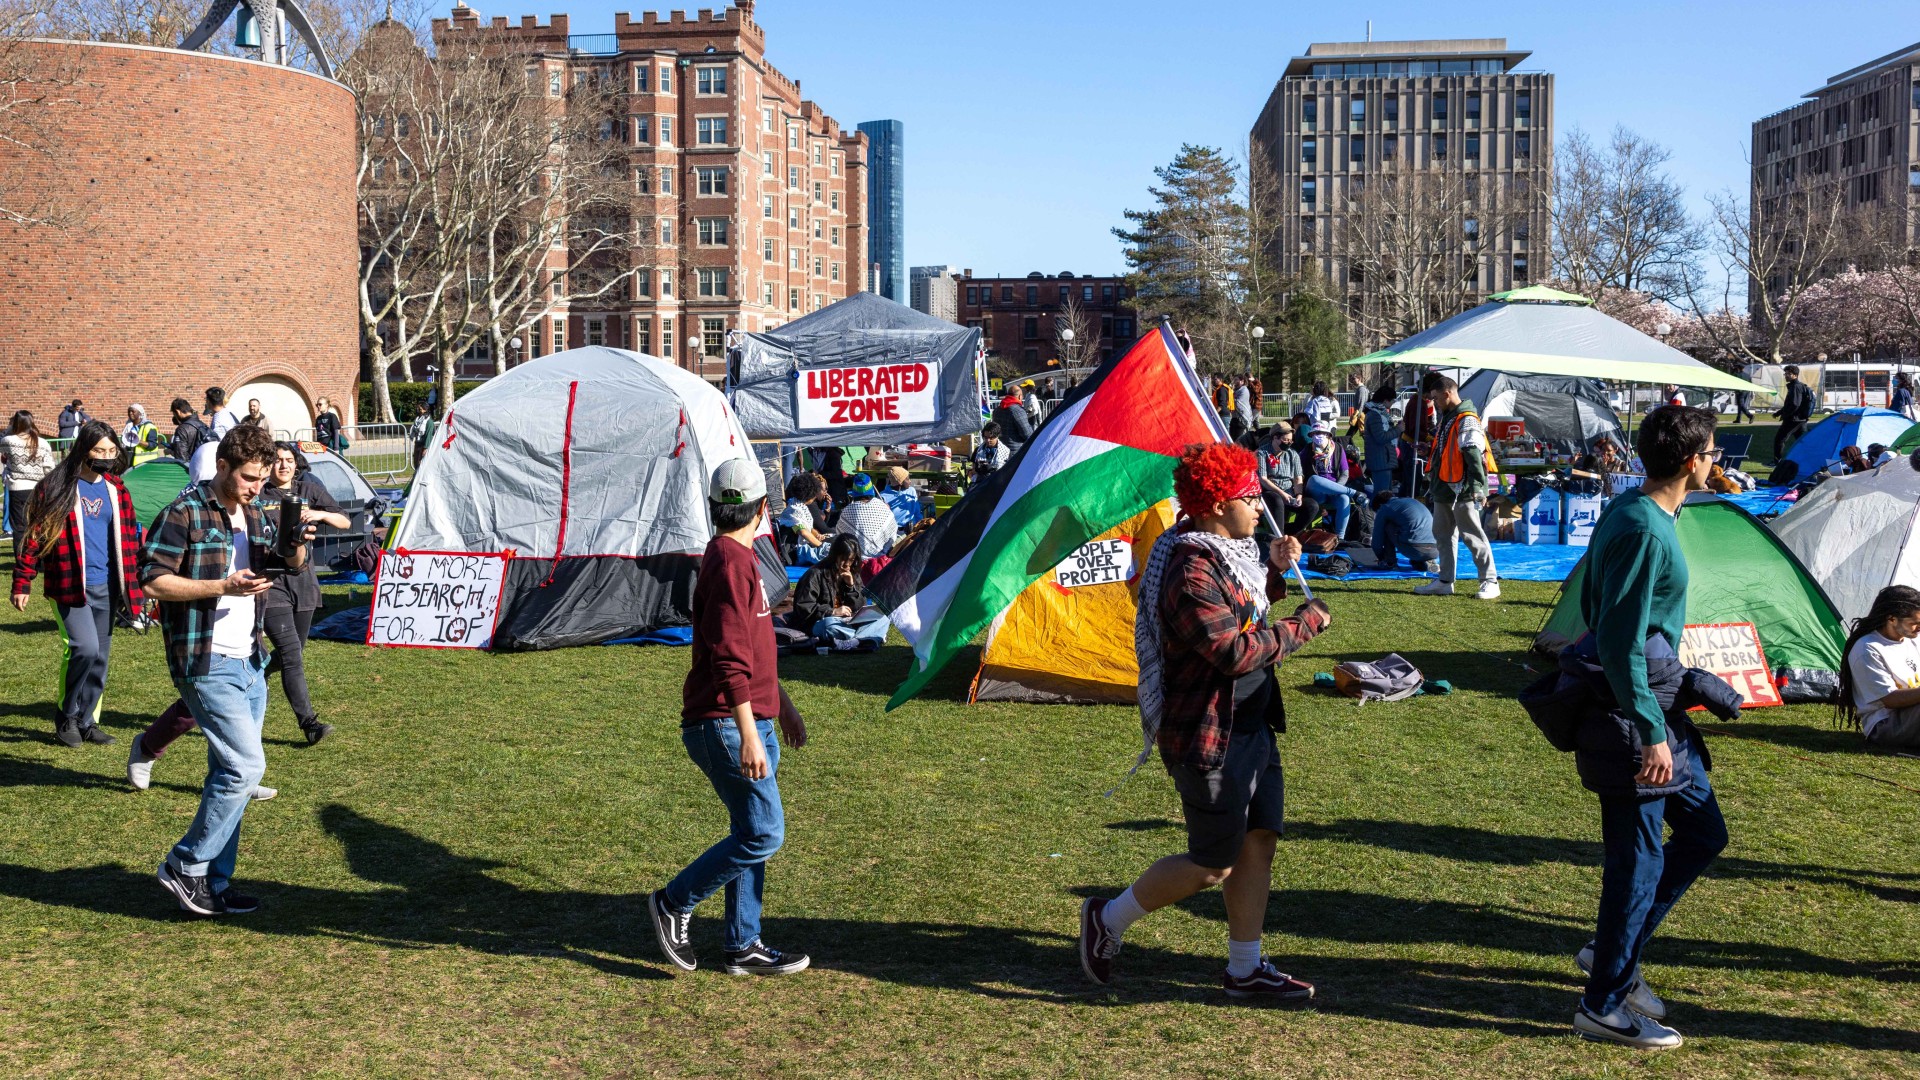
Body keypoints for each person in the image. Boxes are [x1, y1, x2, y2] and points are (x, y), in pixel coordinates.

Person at [1079, 441, 1330, 1002]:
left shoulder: (1228, 551)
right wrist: (1304, 626)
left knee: (1258, 842)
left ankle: (1245, 968)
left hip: (1251, 723)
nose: (1260, 506)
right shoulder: (1188, 566)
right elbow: (1230, 650)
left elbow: (1244, 607)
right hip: (1209, 733)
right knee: (1213, 862)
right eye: (1250, 495)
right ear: (1216, 502)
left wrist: (1273, 568)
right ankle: (1108, 918)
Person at [1560, 404, 1729, 1049]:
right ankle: (1604, 1003)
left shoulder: (1656, 513)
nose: (1718, 464)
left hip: (1655, 707)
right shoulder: (1643, 528)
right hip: (1631, 718)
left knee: (1703, 832)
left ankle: (1613, 954)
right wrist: (1653, 732)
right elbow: (1620, 644)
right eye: (1713, 453)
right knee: (1638, 859)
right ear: (1691, 461)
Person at [142, 424, 314, 916]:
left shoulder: (258, 508)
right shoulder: (185, 510)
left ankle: (214, 883)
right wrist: (223, 586)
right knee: (246, 767)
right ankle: (185, 864)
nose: (257, 487)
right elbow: (152, 581)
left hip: (250, 658)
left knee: (227, 772)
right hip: (204, 657)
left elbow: (290, 565)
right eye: (248, 478)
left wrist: (296, 543)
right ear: (222, 466)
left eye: (262, 479)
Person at [648, 458, 810, 976]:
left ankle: (744, 944)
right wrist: (747, 733)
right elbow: (726, 656)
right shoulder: (728, 561)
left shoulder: (736, 557)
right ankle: (674, 902)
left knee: (748, 829)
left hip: (749, 717)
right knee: (764, 833)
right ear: (764, 508)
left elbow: (754, 647)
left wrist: (781, 706)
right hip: (724, 721)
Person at [10, 421, 145, 747]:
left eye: (112, 451)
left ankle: (87, 721)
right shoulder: (56, 486)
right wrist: (22, 581)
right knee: (84, 649)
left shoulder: (116, 489)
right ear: (84, 450)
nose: (107, 457)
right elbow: (34, 537)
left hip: (109, 586)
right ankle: (66, 715)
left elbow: (129, 539)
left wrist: (140, 581)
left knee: (100, 657)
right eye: (100, 451)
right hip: (70, 584)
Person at [1413, 373, 1499, 600]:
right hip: (1444, 486)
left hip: (1464, 487)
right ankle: (1445, 580)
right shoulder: (1450, 418)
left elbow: (1473, 454)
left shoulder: (1466, 418)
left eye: (1435, 398)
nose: (1434, 402)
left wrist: (1477, 487)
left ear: (1447, 393)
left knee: (1472, 535)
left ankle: (1490, 580)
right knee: (1443, 534)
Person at [1839, 584, 1920, 749]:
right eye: (1914, 623)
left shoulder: (1911, 640)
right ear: (1891, 619)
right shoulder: (1868, 648)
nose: (1919, 627)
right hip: (1885, 724)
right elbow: (1890, 699)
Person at [790, 535, 887, 651]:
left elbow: (861, 605)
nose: (846, 564)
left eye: (851, 560)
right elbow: (804, 607)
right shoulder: (814, 574)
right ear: (835, 556)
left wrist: (850, 586)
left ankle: (854, 641)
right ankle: (869, 636)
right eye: (843, 559)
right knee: (828, 626)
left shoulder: (853, 573)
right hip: (825, 621)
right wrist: (832, 611)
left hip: (848, 621)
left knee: (883, 618)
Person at [1256, 422, 1318, 535]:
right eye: (1286, 440)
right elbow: (1263, 479)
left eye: (1291, 441)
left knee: (1312, 506)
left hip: (1290, 492)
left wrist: (1298, 495)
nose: (1289, 443)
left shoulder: (1293, 454)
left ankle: (1290, 532)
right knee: (1277, 500)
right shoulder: (1262, 453)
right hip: (1270, 491)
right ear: (1275, 437)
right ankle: (1279, 536)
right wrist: (1282, 494)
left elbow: (1298, 478)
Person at [1303, 426, 1362, 541]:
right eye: (1315, 433)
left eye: (1321, 432)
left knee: (1344, 499)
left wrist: (1336, 489)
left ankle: (1340, 538)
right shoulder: (1307, 449)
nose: (1318, 435)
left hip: (1335, 489)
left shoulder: (1338, 449)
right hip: (1316, 492)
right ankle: (1354, 493)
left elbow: (1345, 473)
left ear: (1329, 435)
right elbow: (1299, 472)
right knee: (1314, 479)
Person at [3, 410, 55, 539]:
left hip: (17, 488)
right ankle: (38, 557)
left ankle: (21, 558)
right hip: (38, 488)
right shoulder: (43, 443)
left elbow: (6, 436)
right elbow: (49, 468)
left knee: (19, 528)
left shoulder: (8, 440)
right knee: (38, 525)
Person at [832, 473, 899, 565]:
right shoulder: (882, 506)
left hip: (854, 562)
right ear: (871, 489)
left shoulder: (847, 510)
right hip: (882, 561)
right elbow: (892, 533)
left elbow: (840, 534)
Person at [1370, 494, 1439, 573]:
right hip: (1435, 550)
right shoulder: (1412, 501)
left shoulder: (1385, 507)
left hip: (1414, 549)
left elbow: (1376, 541)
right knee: (1410, 529)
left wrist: (1381, 557)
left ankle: (1389, 562)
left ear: (1380, 505)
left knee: (1386, 524)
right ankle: (1422, 561)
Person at [775, 472, 831, 565]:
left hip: (804, 546)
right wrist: (821, 545)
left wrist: (817, 535)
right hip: (798, 551)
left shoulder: (800, 505)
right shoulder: (793, 510)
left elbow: (808, 527)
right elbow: (802, 531)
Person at [1359, 384, 1400, 497]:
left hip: (1383, 459)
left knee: (1386, 493)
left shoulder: (1378, 413)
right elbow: (1380, 437)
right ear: (1385, 400)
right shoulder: (1374, 415)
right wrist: (1398, 430)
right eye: (1392, 400)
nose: (1392, 404)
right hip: (1380, 460)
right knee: (1382, 495)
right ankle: (1376, 514)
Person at [1772, 364, 1814, 463]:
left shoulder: (1796, 387)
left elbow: (1795, 404)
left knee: (1779, 440)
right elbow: (1791, 404)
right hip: (1801, 419)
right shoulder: (1797, 386)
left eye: (1788, 374)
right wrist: (1779, 412)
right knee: (1802, 442)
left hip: (1794, 419)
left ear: (1795, 375)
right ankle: (1809, 461)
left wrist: (1786, 414)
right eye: (1785, 373)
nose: (1786, 375)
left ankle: (1777, 462)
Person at [168, 398, 212, 467]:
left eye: (174, 414)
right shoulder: (203, 424)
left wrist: (171, 451)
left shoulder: (182, 429)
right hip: (204, 467)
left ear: (178, 412)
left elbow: (181, 457)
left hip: (189, 470)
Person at [991, 392, 1035, 456]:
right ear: (1020, 396)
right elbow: (1027, 434)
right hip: (1015, 451)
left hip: (1000, 450)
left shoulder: (997, 409)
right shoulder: (1018, 410)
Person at [409, 403, 434, 470]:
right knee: (416, 463)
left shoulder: (429, 421)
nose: (418, 410)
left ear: (425, 410)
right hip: (417, 443)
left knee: (421, 464)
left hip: (423, 446)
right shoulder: (418, 420)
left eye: (420, 409)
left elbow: (428, 435)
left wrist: (425, 448)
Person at [1230, 376, 1254, 442]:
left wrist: (1231, 398)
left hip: (1242, 418)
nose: (1234, 381)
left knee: (1239, 439)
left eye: (1236, 380)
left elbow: (1239, 403)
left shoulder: (1244, 390)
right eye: (1234, 379)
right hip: (1234, 417)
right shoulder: (1234, 391)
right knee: (1232, 438)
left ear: (1242, 381)